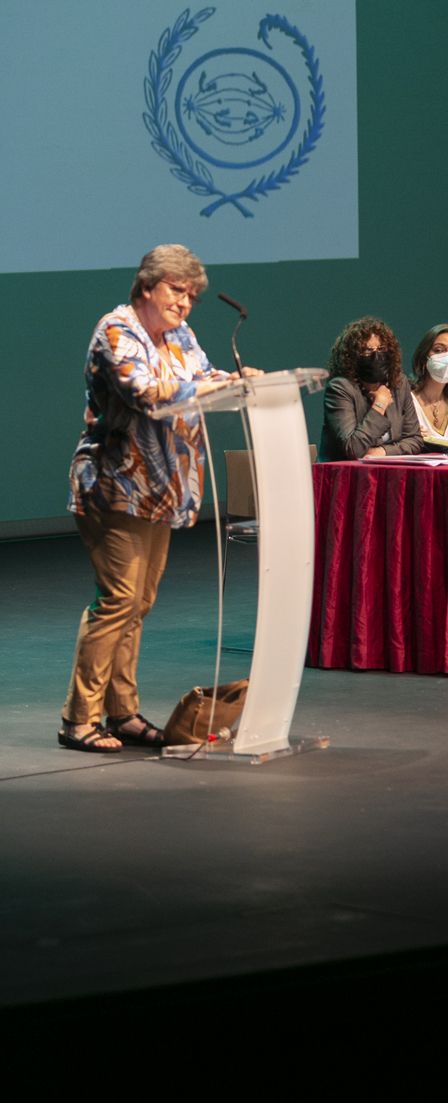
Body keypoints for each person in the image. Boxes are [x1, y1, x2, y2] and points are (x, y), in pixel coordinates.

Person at [62, 244, 243, 753]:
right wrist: (203, 387)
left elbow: (200, 377)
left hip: (162, 492)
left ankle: (122, 713)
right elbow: (146, 393)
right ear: (146, 287)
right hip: (116, 486)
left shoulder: (180, 335)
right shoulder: (117, 331)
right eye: (176, 291)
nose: (184, 304)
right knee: (118, 600)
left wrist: (234, 381)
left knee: (138, 604)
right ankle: (79, 719)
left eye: (191, 296)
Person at [319, 316, 424, 460]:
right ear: (352, 356)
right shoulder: (340, 388)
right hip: (345, 474)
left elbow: (415, 439)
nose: (376, 356)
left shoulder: (399, 383)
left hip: (386, 471)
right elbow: (352, 448)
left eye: (381, 349)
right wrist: (379, 406)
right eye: (367, 351)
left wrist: (382, 451)